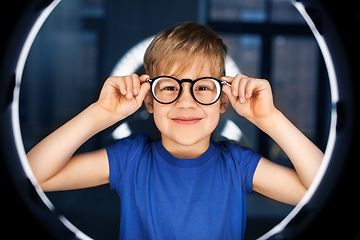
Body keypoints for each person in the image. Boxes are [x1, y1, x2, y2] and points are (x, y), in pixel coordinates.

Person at [27, 22, 324, 239]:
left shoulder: (237, 164)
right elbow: (33, 175)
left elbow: (322, 188)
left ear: (223, 101)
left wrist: (270, 118)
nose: (186, 102)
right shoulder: (131, 158)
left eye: (203, 88)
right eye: (169, 87)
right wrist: (100, 114)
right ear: (149, 101)